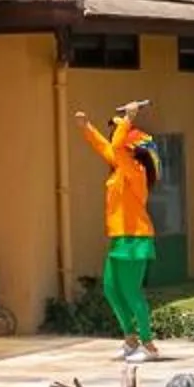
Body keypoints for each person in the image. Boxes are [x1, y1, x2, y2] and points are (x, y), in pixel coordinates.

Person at [78, 100, 163, 363]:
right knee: (111, 288)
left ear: (131, 147)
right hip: (120, 238)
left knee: (131, 292)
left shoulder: (136, 171)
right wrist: (86, 127)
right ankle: (130, 339)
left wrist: (129, 117)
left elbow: (113, 145)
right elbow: (106, 147)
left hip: (135, 238)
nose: (115, 135)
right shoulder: (120, 168)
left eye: (119, 132)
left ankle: (149, 345)